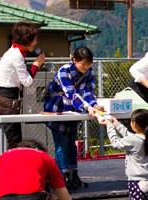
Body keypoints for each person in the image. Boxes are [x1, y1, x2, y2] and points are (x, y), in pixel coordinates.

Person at [44, 46, 104, 190]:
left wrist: (94, 104)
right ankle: (62, 178)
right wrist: (88, 107)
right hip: (57, 110)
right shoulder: (64, 72)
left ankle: (73, 175)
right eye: (83, 63)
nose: (86, 67)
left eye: (88, 63)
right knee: (61, 145)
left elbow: (89, 92)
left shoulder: (90, 72)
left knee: (71, 143)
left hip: (74, 109)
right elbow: (71, 94)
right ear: (74, 60)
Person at [0, 21, 45, 149]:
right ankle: (12, 168)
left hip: (3, 101)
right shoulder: (16, 55)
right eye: (35, 38)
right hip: (8, 103)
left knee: (14, 141)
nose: (36, 42)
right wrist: (36, 64)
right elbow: (26, 81)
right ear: (27, 39)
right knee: (15, 143)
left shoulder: (13, 52)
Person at [99, 109, 148, 200]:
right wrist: (116, 124)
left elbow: (115, 142)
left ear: (134, 124)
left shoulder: (134, 140)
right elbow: (129, 136)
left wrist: (109, 126)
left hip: (136, 181)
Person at [0, 139, 72, 200]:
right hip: (31, 195)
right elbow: (61, 190)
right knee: (50, 197)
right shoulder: (44, 156)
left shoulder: (2, 157)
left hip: (1, 197)